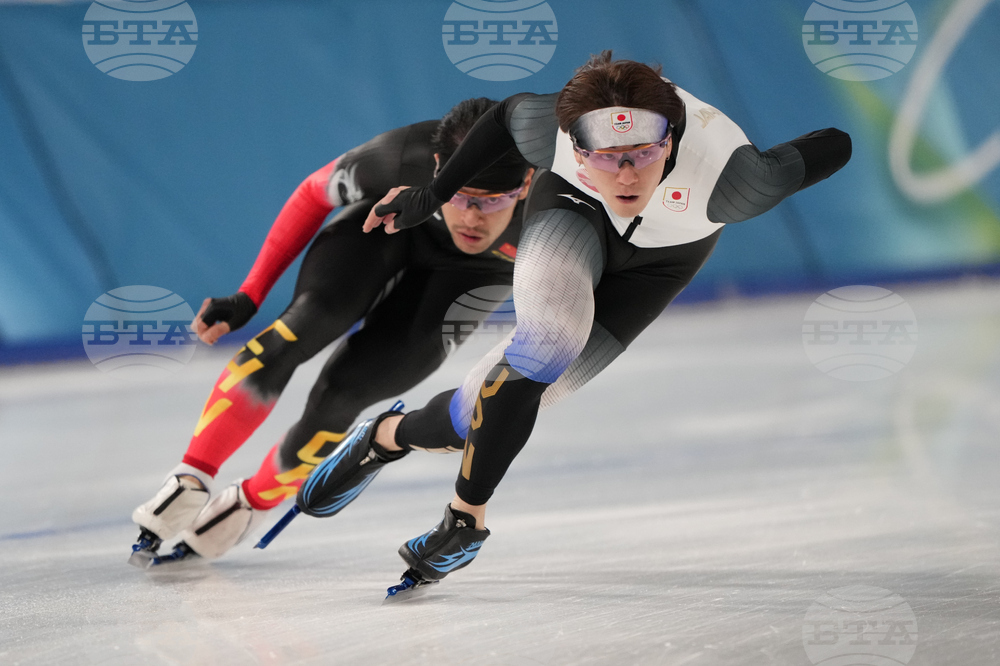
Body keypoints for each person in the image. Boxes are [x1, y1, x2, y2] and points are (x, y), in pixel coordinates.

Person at [304, 51, 851, 590]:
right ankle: (465, 521)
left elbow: (836, 142)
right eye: (609, 157)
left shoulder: (737, 179)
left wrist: (796, 153)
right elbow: (500, 120)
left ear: (672, 141)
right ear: (576, 147)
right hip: (571, 211)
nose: (628, 174)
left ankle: (385, 436)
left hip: (661, 264)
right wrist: (433, 194)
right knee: (545, 346)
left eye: (643, 153)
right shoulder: (548, 128)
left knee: (478, 410)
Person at [129, 98, 539, 564]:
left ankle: (252, 501)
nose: (472, 217)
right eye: (459, 196)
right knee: (305, 324)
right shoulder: (402, 157)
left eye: (495, 202)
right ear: (440, 167)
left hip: (473, 278)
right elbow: (310, 195)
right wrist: (251, 294)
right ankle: (192, 475)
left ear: (526, 183)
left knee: (347, 394)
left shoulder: (557, 198)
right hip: (384, 226)